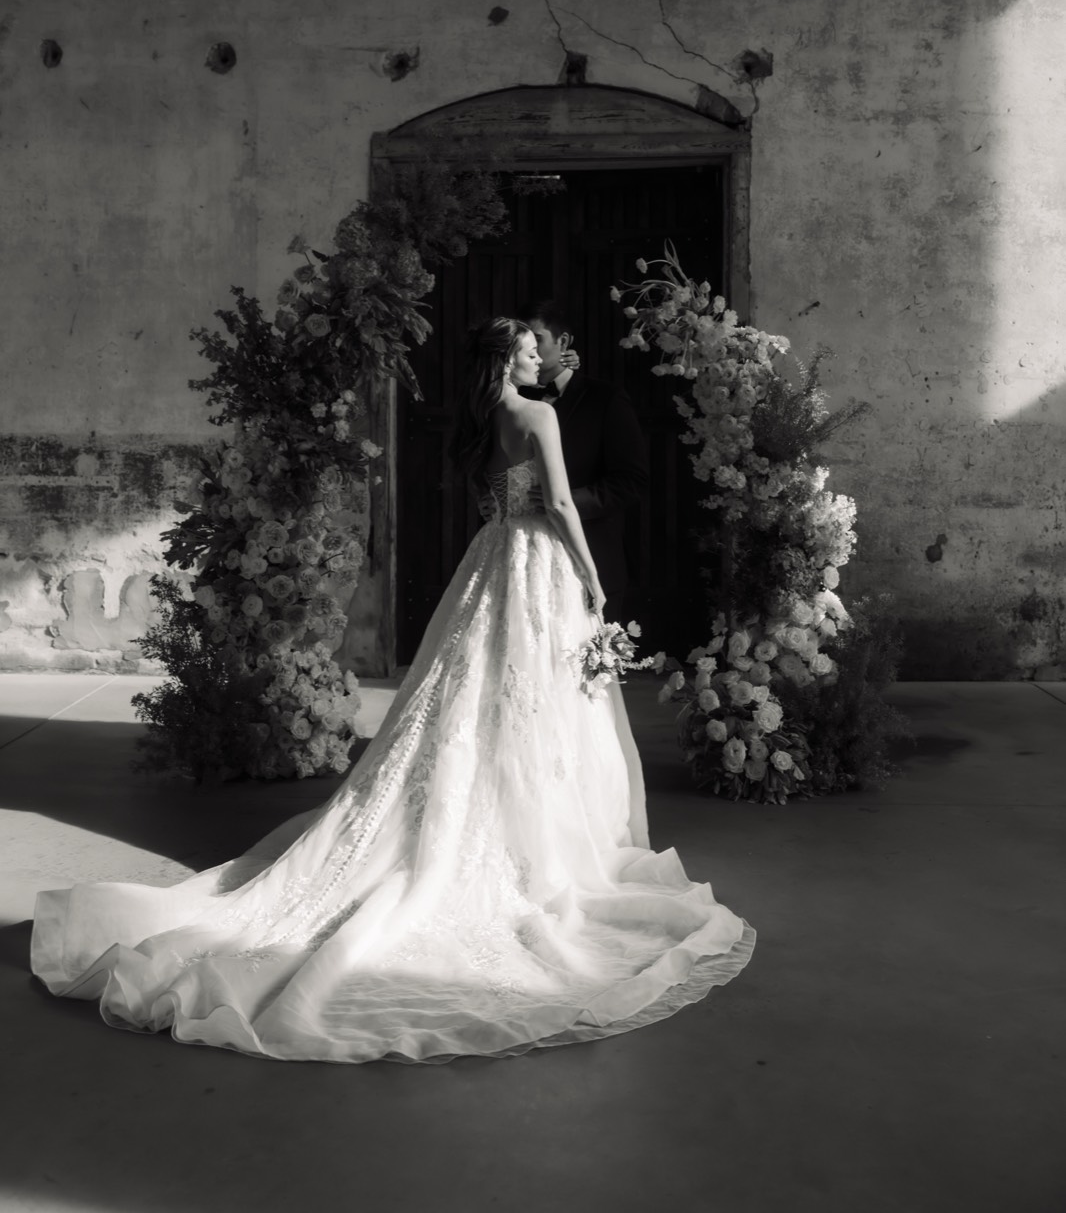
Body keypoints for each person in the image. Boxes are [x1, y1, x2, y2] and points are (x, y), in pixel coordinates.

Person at [31, 318, 753, 1064]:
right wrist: (596, 582)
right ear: (509, 358)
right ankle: (540, 837)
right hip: (539, 560)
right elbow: (564, 507)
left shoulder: (482, 422)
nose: (543, 357)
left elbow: (500, 503)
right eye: (531, 351)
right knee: (533, 695)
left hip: (493, 558)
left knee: (475, 691)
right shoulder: (540, 415)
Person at [518, 299, 648, 626]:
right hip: (523, 558)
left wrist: (567, 502)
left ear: (563, 342)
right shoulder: (511, 401)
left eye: (538, 339)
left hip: (592, 552)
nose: (529, 347)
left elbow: (631, 480)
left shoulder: (605, 399)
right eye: (523, 340)